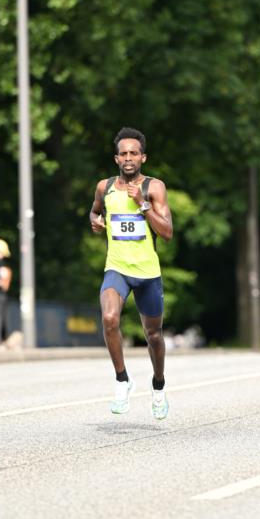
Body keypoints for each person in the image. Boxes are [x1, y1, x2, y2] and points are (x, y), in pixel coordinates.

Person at [89, 127, 173, 419]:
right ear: (116, 158)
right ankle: (123, 380)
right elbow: (95, 211)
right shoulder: (105, 187)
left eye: (133, 153)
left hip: (148, 273)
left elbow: (167, 232)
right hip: (117, 268)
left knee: (154, 336)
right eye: (123, 153)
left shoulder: (154, 188)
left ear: (143, 157)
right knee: (110, 318)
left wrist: (143, 204)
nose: (128, 158)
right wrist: (96, 222)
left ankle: (159, 385)